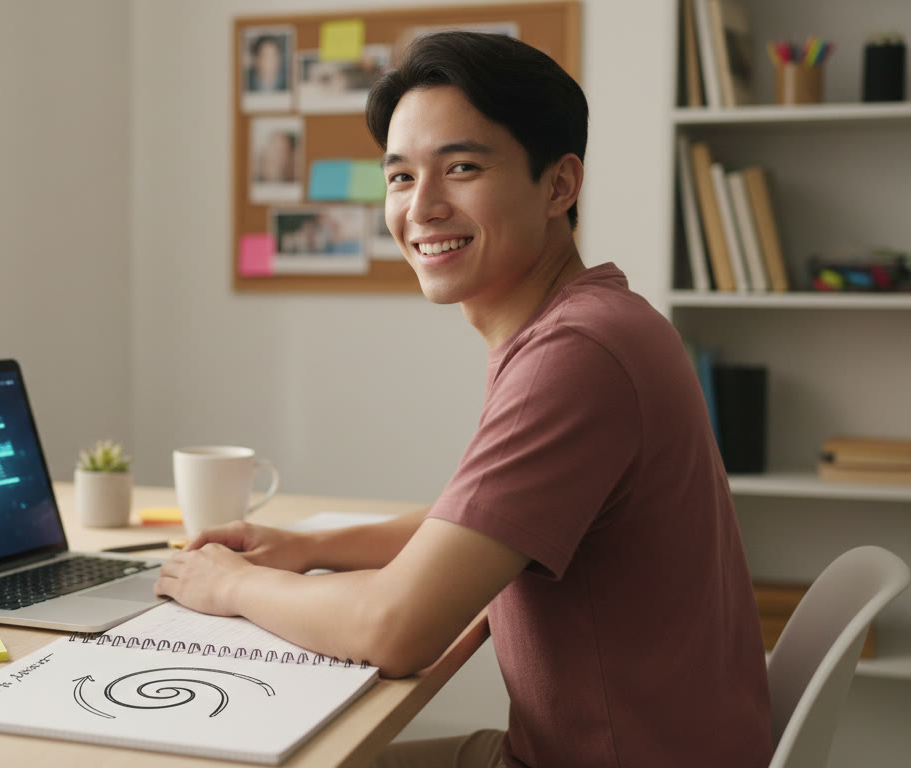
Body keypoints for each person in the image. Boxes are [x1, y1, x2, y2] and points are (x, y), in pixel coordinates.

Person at [155, 30, 772, 768]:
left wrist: (229, 585)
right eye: (401, 177)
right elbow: (484, 519)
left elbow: (396, 630)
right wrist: (310, 547)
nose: (423, 207)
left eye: (463, 168)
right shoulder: (589, 320)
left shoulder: (577, 355)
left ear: (558, 186)